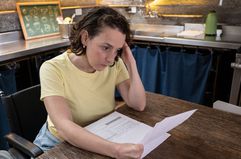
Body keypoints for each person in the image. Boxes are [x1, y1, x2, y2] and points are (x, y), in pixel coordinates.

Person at [34, 6, 146, 159]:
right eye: (106, 47)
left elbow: (138, 104)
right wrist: (116, 150)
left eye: (117, 50)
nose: (110, 58)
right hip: (58, 144)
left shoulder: (114, 63)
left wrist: (131, 63)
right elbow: (64, 128)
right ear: (85, 38)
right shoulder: (52, 68)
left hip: (100, 135)